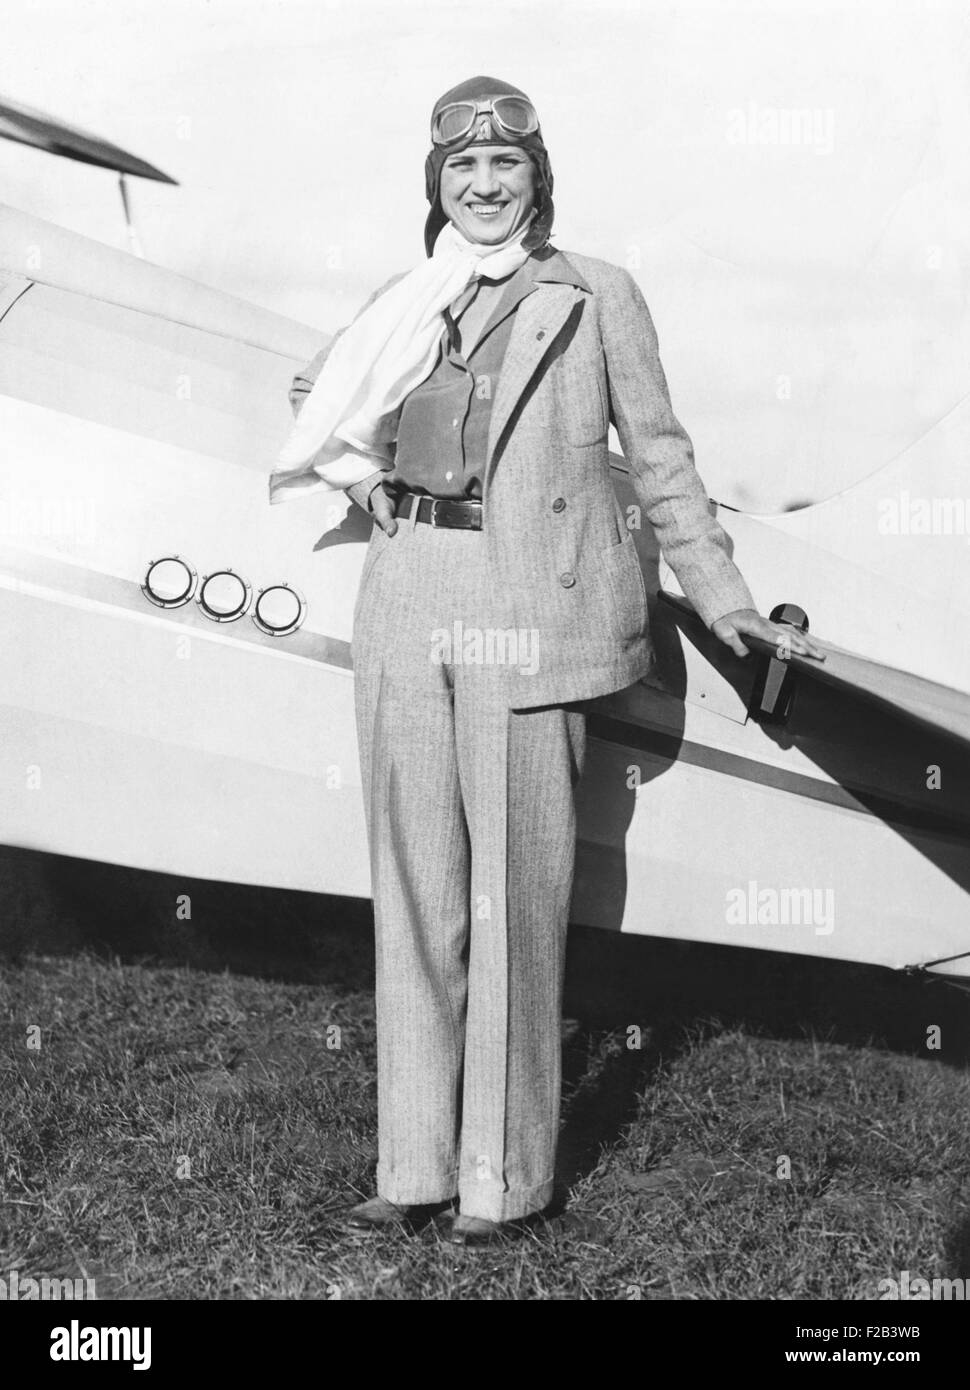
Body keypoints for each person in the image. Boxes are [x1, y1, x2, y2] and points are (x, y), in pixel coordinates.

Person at [270, 76, 824, 1249]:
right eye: (461, 172)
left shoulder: (596, 295)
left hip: (530, 608)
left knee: (510, 899)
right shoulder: (406, 295)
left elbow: (664, 459)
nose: (482, 187)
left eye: (504, 170)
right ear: (437, 187)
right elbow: (313, 390)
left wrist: (723, 600)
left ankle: (500, 1180)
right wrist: (366, 481)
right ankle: (410, 1166)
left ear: (537, 180)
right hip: (408, 587)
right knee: (415, 893)